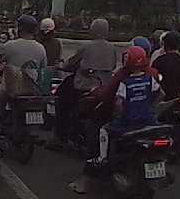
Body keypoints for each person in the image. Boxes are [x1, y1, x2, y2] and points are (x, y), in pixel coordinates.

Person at [68, 46, 160, 194]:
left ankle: (100, 161)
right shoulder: (152, 75)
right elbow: (160, 94)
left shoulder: (123, 77)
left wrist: (118, 113)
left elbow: (113, 100)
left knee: (99, 131)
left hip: (127, 122)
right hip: (148, 120)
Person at [51, 18, 119, 151]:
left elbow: (71, 64)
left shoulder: (86, 47)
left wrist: (61, 66)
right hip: (104, 87)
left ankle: (60, 136)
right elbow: (113, 66)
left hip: (84, 86)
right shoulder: (112, 48)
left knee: (61, 100)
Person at [0, 15, 48, 113]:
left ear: (20, 28)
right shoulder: (41, 48)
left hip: (12, 89)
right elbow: (43, 69)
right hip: (34, 90)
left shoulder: (9, 45)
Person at [152, 31, 180, 101]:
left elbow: (153, 78)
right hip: (177, 96)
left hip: (161, 98)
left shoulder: (158, 61)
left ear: (165, 45)